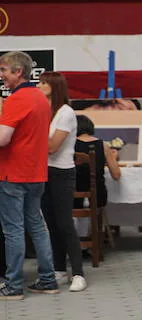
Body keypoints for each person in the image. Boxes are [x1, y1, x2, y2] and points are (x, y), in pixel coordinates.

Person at [0, 51, 59, 299]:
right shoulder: (40, 99)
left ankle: (13, 285)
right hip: (36, 172)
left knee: (13, 230)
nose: (1, 75)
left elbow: (3, 139)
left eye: (4, 70)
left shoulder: (16, 100)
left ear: (18, 72)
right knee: (37, 226)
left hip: (13, 174)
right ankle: (47, 279)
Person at [37, 71, 86, 292]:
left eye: (43, 83)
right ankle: (58, 269)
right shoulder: (44, 110)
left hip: (62, 173)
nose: (39, 86)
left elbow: (52, 146)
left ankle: (78, 273)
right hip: (43, 172)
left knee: (65, 223)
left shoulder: (65, 112)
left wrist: (30, 141)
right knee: (51, 223)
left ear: (54, 86)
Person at [73, 114, 122, 209]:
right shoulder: (103, 145)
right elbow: (116, 175)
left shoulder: (69, 145)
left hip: (74, 197)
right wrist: (112, 158)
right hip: (98, 197)